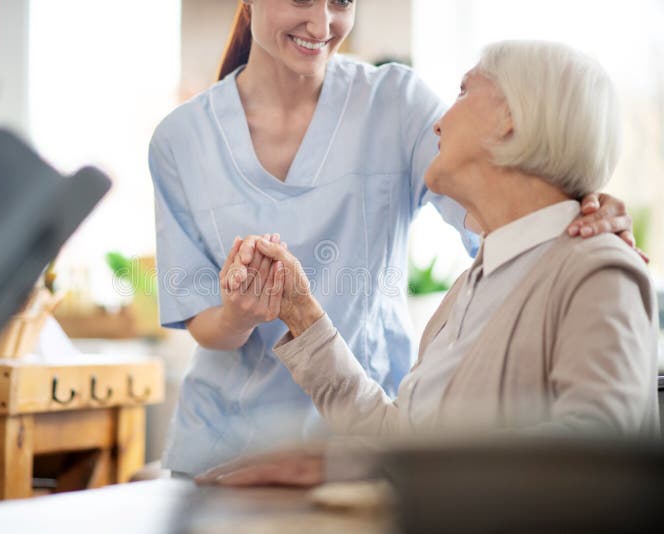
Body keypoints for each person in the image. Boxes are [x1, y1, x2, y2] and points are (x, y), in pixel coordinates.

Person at [150, 1, 637, 476]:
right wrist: (239, 314)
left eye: (341, 1)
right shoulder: (180, 138)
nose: (322, 22)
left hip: (369, 447)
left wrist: (583, 202)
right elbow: (201, 319)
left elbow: (509, 198)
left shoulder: (397, 105)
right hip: (231, 445)